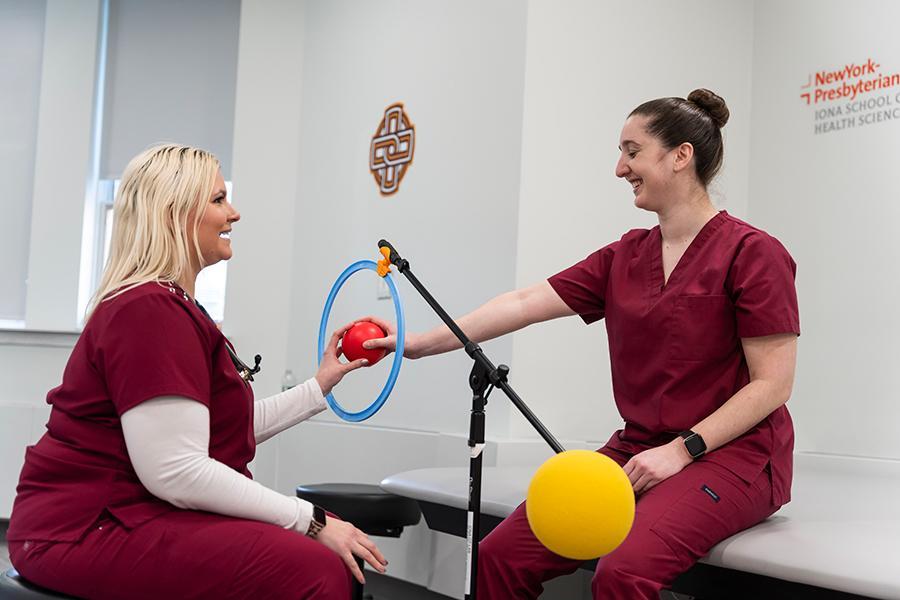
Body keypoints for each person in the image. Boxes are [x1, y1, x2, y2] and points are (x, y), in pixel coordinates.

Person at [365, 89, 800, 599]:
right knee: (498, 558)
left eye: (632, 151)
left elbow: (774, 384)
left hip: (734, 457)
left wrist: (683, 450)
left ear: (681, 156)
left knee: (623, 571)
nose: (620, 168)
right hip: (639, 448)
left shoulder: (753, 252)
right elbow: (526, 302)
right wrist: (419, 343)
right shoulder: (625, 255)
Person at [7, 144, 387, 599]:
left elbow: (207, 434)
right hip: (82, 529)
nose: (235, 213)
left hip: (131, 513)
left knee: (320, 556)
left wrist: (319, 385)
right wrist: (311, 520)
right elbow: (177, 470)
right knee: (315, 566)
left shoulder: (172, 306)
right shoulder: (148, 310)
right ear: (175, 214)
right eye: (218, 199)